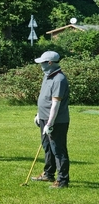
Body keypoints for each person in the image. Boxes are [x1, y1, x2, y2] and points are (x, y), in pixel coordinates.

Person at [32, 51, 70, 188]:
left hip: (56, 121)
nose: (40, 65)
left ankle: (62, 180)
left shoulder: (59, 79)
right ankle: (48, 174)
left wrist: (50, 123)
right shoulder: (47, 76)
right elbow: (44, 99)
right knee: (47, 147)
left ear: (50, 63)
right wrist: (39, 115)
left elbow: (56, 103)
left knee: (58, 149)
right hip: (43, 118)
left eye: (42, 62)